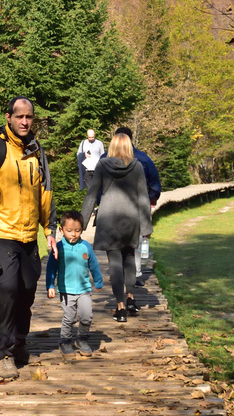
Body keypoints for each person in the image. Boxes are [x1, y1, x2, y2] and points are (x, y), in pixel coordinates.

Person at [0, 97, 57, 380]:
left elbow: (45, 193)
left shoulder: (36, 150)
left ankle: (20, 342)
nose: (24, 122)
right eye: (19, 116)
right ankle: (3, 353)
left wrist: (49, 230)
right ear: (8, 117)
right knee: (6, 291)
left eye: (29, 117)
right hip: (3, 235)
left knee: (27, 291)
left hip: (29, 236)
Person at [81, 131, 152, 323]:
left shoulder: (102, 165)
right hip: (130, 219)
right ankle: (130, 297)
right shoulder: (136, 166)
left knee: (114, 264)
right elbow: (143, 197)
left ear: (111, 146)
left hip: (108, 219)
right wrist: (146, 227)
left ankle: (120, 307)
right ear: (129, 146)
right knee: (129, 259)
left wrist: (82, 222)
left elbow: (92, 193)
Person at [102, 126, 161, 285]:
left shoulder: (104, 158)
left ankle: (119, 273)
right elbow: (154, 182)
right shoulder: (143, 158)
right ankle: (134, 274)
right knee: (136, 242)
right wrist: (151, 198)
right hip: (137, 205)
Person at [46, 210, 103, 357]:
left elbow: (94, 265)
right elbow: (51, 268)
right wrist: (50, 285)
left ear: (82, 230)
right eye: (69, 231)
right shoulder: (58, 248)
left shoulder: (86, 247)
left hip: (84, 289)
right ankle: (65, 341)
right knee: (69, 317)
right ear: (61, 230)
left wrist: (98, 281)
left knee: (86, 316)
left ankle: (82, 339)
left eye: (77, 231)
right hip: (67, 290)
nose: (73, 234)